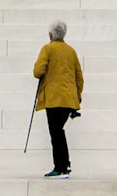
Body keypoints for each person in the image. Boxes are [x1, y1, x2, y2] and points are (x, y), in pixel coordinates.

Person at [33, 19, 83, 178]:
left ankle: (60, 167)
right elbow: (79, 77)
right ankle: (65, 164)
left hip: (54, 99)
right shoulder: (71, 51)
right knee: (59, 131)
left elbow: (37, 71)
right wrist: (77, 96)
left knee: (56, 133)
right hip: (69, 99)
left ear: (50, 34)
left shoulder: (48, 49)